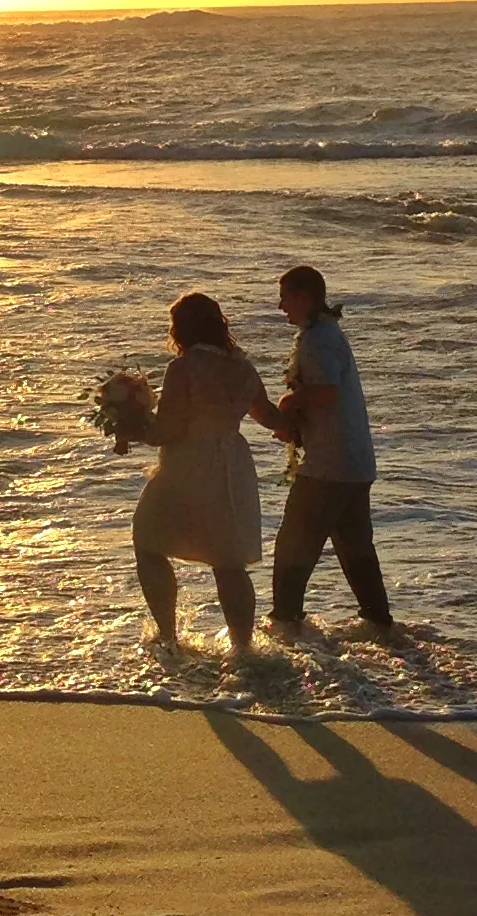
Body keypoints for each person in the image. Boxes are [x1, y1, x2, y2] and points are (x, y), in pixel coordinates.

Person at [130, 290, 281, 654]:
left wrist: (134, 422)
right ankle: (243, 648)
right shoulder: (242, 366)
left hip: (188, 468)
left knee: (148, 541)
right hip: (232, 467)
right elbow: (268, 416)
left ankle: (168, 635)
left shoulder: (183, 368)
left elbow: (168, 430)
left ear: (181, 330)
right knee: (228, 561)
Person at [269, 262, 396, 630]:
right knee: (355, 547)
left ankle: (285, 621)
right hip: (355, 463)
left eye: (285, 298)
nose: (281, 307)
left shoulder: (317, 339)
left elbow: (326, 392)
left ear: (305, 298)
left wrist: (289, 404)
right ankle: (379, 621)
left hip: (330, 465)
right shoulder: (329, 332)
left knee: (294, 542)